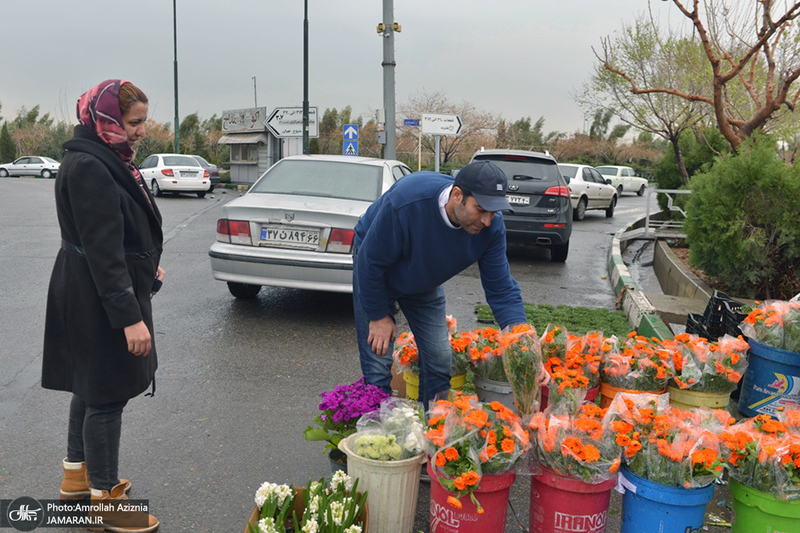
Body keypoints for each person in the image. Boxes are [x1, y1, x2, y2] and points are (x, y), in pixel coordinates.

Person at [42, 79, 162, 532]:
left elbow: (116, 238)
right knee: (107, 394)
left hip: (87, 287)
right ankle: (105, 502)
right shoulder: (93, 166)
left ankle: (77, 479)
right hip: (97, 295)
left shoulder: (99, 156)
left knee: (89, 385)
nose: (140, 131)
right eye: (134, 122)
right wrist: (129, 316)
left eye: (143, 121)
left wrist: (146, 268)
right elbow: (103, 250)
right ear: (107, 119)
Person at [353, 160, 531, 409]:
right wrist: (377, 315)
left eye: (494, 211)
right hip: (377, 271)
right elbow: (370, 261)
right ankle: (377, 433)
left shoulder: (491, 228)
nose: (487, 220)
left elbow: (501, 287)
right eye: (481, 209)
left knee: (439, 359)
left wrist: (522, 339)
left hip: (423, 280)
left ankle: (432, 432)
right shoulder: (407, 203)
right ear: (457, 195)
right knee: (378, 363)